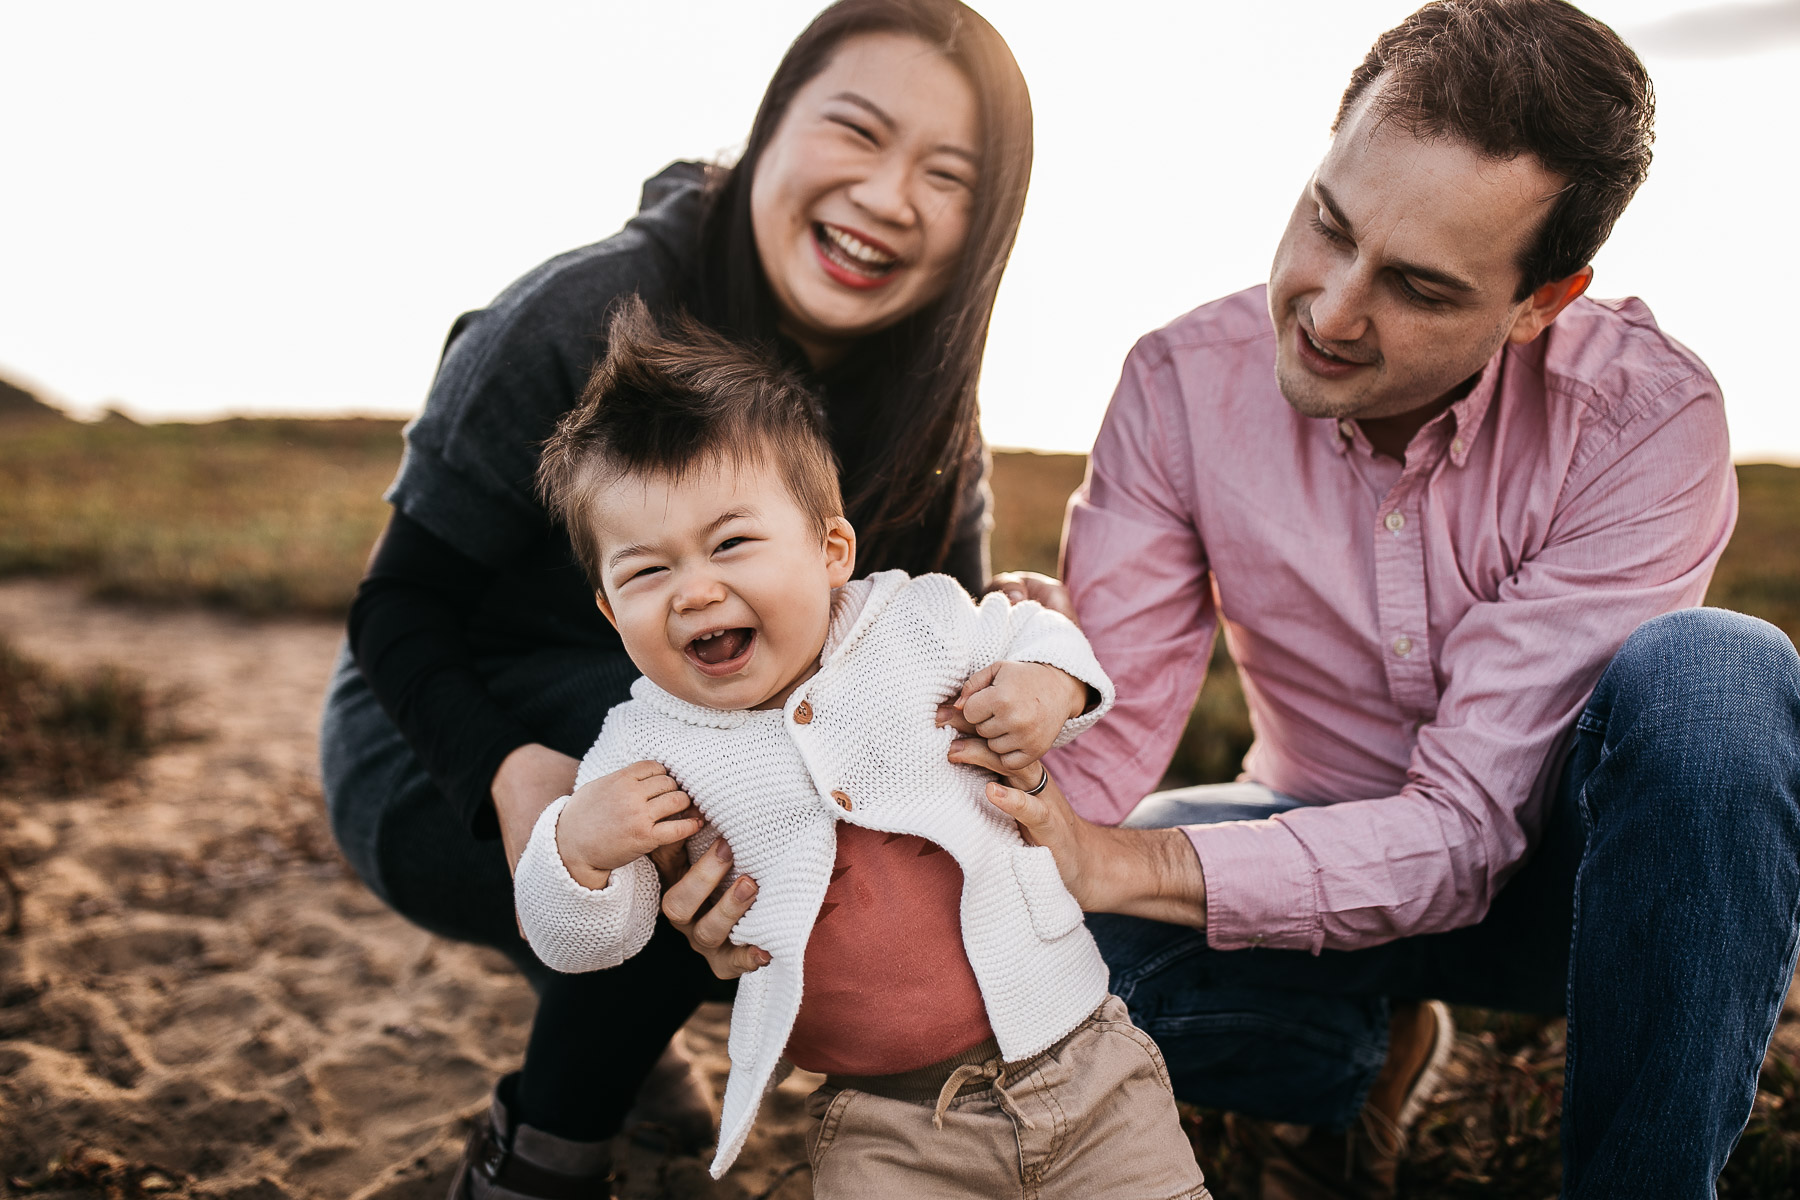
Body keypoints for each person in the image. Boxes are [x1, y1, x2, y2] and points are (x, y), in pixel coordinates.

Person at [960, 2, 1800, 1197]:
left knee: (1719, 677)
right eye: (1328, 222)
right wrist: (1024, 717)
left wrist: (1117, 868)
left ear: (1541, 301)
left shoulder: (1642, 419)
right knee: (1029, 937)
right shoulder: (1180, 384)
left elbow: (1466, 834)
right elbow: (1106, 755)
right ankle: (1336, 1075)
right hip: (1291, 817)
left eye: (1416, 285)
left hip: (1570, 887)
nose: (1331, 310)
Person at [317, 3, 1035, 1196]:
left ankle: (624, 1035)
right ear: (768, 131)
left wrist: (1020, 645)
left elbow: (920, 658)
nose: (889, 195)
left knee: (788, 763)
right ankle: (536, 1160)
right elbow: (399, 607)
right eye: (857, 132)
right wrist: (508, 772)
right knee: (715, 763)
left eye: (946, 176)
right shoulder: (581, 314)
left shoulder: (934, 419)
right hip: (439, 754)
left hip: (697, 755)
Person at [509, 300, 1208, 1198]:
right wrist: (577, 852)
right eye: (647, 570)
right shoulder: (641, 745)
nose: (694, 591)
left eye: (732, 544)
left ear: (831, 548)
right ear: (610, 610)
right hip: (884, 1121)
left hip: (1082, 1058)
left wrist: (1047, 685)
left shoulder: (912, 621)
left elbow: (1034, 632)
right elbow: (582, 942)